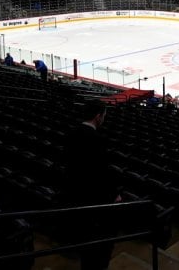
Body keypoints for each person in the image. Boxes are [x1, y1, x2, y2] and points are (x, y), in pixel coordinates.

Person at [61, 99, 120, 270]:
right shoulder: (97, 139)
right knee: (99, 249)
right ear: (97, 116)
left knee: (86, 245)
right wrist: (114, 194)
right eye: (104, 116)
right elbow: (101, 171)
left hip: (75, 195)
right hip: (93, 201)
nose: (104, 119)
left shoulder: (71, 134)